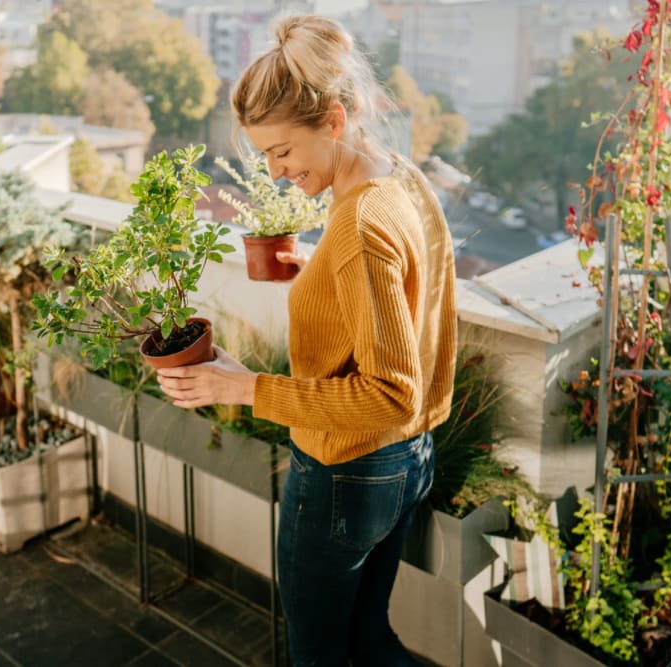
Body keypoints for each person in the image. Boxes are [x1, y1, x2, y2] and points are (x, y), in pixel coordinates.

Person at [156, 15, 458, 667]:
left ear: (334, 121)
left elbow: (388, 394)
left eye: (282, 151)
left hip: (348, 470)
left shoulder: (359, 227)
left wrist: (241, 387)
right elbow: (409, 283)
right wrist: (318, 271)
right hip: (406, 462)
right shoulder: (396, 176)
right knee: (369, 639)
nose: (274, 170)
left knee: (321, 654)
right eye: (265, 155)